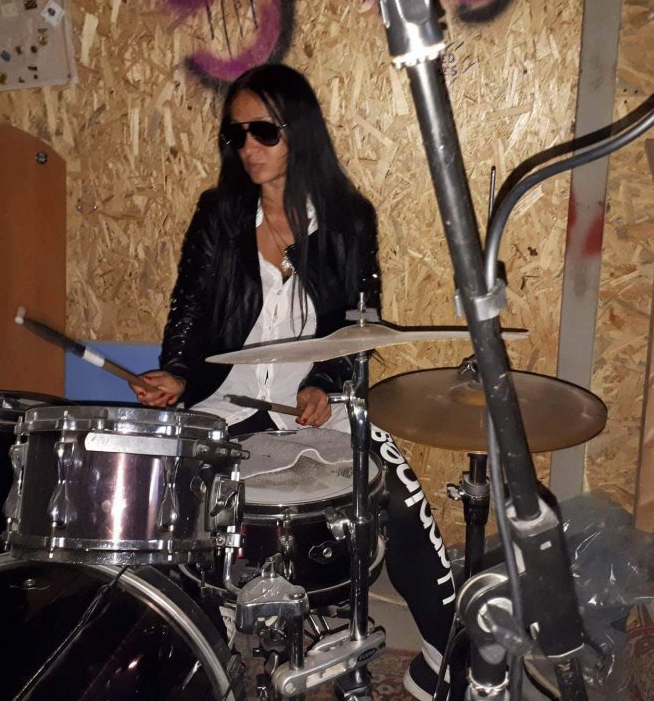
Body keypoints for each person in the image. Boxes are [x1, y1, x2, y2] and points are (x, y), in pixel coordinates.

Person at [134, 63, 454, 700]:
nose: (247, 147)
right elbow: (188, 312)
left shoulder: (348, 219)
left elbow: (357, 325)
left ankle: (447, 651)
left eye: (264, 132)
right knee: (169, 504)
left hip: (309, 405)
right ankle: (197, 649)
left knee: (393, 488)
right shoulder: (220, 214)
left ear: (299, 131)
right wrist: (177, 374)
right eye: (236, 135)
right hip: (224, 405)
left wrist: (325, 382)